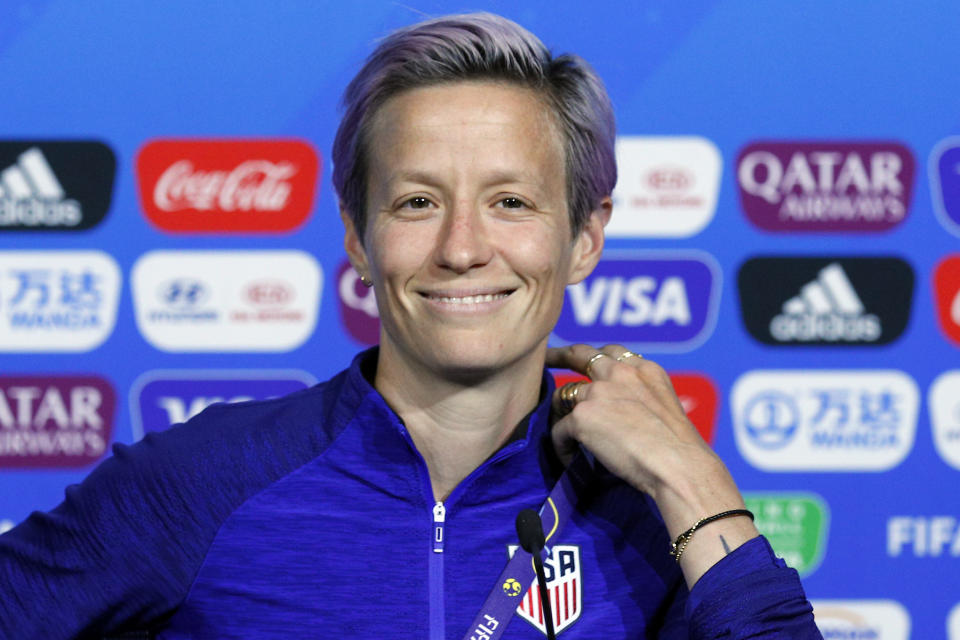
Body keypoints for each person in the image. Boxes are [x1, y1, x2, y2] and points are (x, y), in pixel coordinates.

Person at [0, 12, 821, 639]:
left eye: (511, 203)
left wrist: (690, 478)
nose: (463, 248)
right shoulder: (203, 481)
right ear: (358, 234)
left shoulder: (651, 518)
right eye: (418, 202)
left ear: (585, 237)